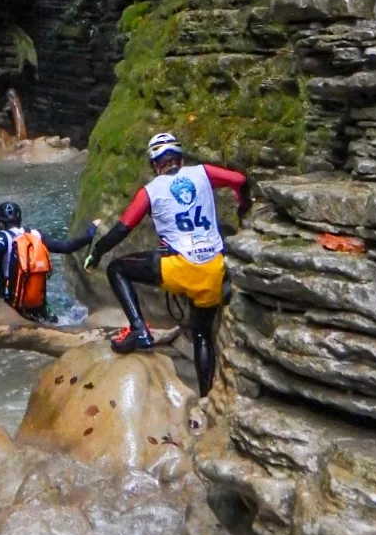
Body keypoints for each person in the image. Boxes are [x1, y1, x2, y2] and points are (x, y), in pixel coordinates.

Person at [83, 131, 251, 396]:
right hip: (214, 270)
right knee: (201, 335)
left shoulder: (151, 191)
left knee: (117, 269)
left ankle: (139, 329)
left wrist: (97, 252)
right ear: (180, 159)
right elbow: (240, 180)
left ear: (155, 165)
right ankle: (206, 396)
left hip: (179, 268)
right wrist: (243, 207)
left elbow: (122, 229)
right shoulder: (203, 173)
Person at [0, 201, 98, 322]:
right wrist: (89, 234)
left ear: (0, 223)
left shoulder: (4, 237)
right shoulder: (36, 235)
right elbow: (67, 247)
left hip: (12, 305)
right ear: (19, 220)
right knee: (54, 321)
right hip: (38, 305)